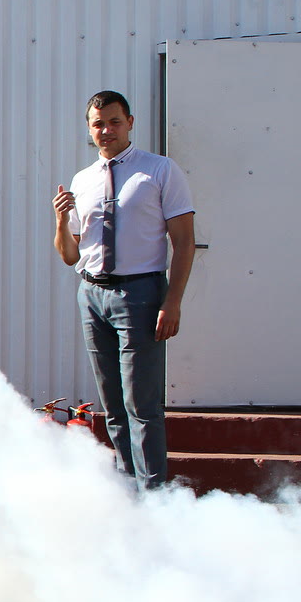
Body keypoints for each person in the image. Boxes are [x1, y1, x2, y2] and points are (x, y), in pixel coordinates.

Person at [53, 90, 195, 489]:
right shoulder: (83, 180)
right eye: (98, 124)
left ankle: (155, 496)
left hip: (141, 294)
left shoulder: (160, 170)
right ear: (89, 129)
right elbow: (68, 255)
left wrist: (173, 302)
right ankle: (128, 487)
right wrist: (61, 220)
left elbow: (184, 243)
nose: (106, 130)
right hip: (92, 294)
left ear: (130, 123)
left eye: (114, 122)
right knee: (113, 403)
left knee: (141, 403)